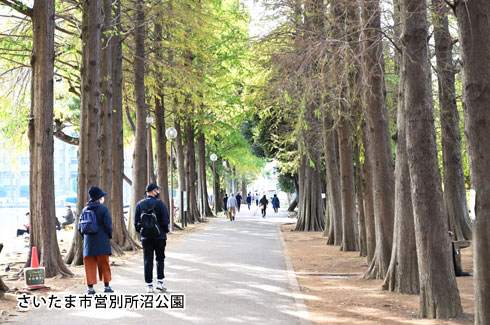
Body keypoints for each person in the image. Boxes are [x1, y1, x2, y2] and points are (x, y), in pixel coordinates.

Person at [135, 183, 170, 293]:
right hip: (159, 237)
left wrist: (142, 231)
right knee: (160, 258)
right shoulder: (160, 204)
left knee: (147, 260)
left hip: (146, 237)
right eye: (157, 190)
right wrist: (164, 231)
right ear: (153, 191)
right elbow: (165, 220)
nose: (158, 192)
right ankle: (160, 282)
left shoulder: (140, 204)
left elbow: (136, 222)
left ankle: (149, 285)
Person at [79, 186, 114, 294]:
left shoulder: (84, 210)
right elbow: (108, 225)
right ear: (99, 198)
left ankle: (90, 289)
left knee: (89, 265)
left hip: (88, 242)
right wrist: (109, 235)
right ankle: (107, 287)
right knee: (104, 264)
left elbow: (79, 227)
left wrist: (84, 237)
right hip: (102, 241)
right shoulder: (103, 209)